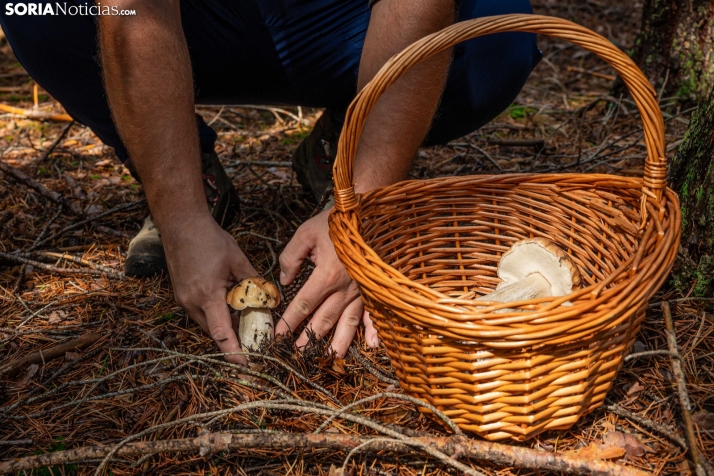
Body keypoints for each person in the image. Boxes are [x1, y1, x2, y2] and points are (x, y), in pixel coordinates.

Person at [0, 0, 541, 364]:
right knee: (38, 9)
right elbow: (133, 6)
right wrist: (181, 217)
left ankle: (342, 148)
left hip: (340, 20)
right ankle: (189, 172)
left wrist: (362, 203)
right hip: (201, 20)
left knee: (498, 36)